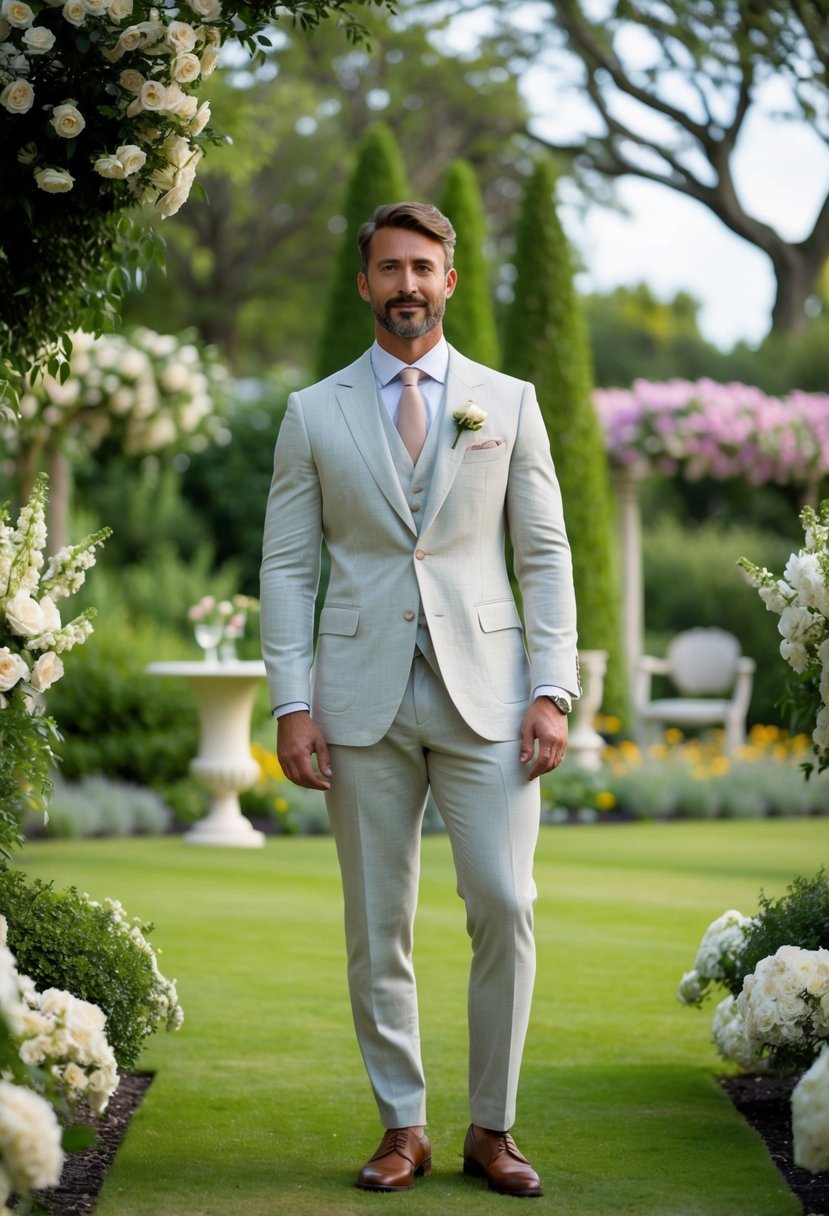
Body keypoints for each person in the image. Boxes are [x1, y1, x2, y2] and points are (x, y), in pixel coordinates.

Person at [260, 200, 579, 1198]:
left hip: (490, 696)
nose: (407, 284)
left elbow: (543, 555)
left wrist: (552, 688)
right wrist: (291, 703)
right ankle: (403, 1126)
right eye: (390, 267)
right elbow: (287, 568)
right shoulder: (313, 412)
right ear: (365, 282)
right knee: (377, 924)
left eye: (423, 267)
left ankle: (493, 1127)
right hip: (357, 701)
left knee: (505, 902)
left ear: (449, 281)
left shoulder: (508, 402)